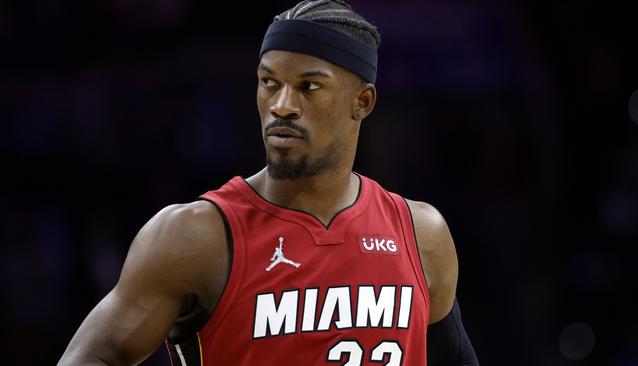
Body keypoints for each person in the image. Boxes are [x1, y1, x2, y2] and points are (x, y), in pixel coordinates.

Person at [59, 1, 479, 365]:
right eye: (269, 83)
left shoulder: (421, 233)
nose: (282, 105)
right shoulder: (197, 236)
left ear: (362, 102)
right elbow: (94, 355)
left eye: (308, 87)